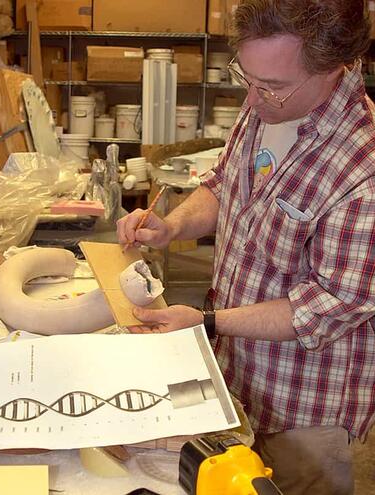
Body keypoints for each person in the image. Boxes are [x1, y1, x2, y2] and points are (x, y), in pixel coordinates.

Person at [116, 1, 375, 494]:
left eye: (270, 87)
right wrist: (172, 226)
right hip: (235, 377)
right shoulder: (268, 93)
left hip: (301, 409)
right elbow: (223, 182)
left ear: (332, 66)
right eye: (247, 79)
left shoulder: (363, 168)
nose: (252, 100)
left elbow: (331, 304)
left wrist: (210, 321)